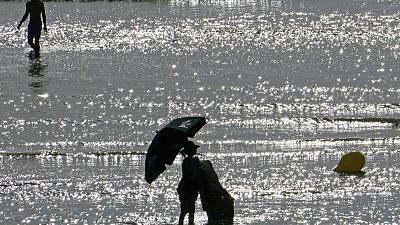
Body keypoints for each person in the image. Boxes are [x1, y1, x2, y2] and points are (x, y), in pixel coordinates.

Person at [177, 141, 200, 225]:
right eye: (194, 149)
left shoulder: (188, 161)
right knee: (186, 209)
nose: (195, 151)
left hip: (187, 187)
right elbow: (191, 174)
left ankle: (187, 223)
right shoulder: (189, 162)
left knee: (189, 209)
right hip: (188, 187)